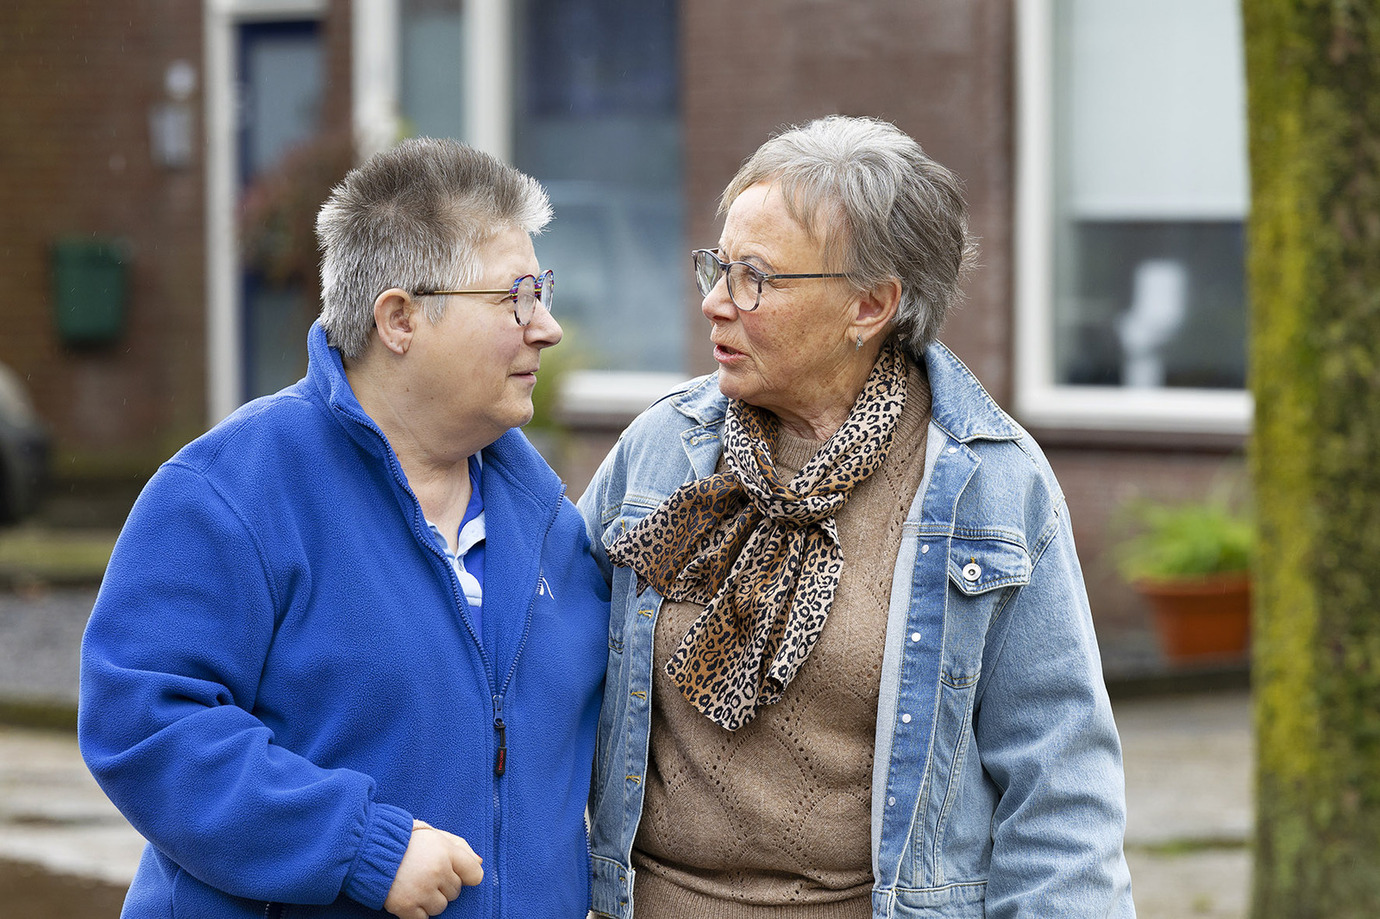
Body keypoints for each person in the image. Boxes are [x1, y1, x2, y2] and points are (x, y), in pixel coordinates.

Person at [578, 116, 1136, 918]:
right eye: (717, 267)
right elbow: (537, 663)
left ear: (869, 306)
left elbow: (1060, 787)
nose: (713, 302)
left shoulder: (992, 487)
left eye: (754, 277)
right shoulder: (662, 449)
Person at [79, 137, 610, 919]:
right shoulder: (229, 494)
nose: (547, 326)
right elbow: (144, 722)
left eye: (545, 289)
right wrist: (360, 843)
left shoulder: (554, 530)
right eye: (516, 296)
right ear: (398, 318)